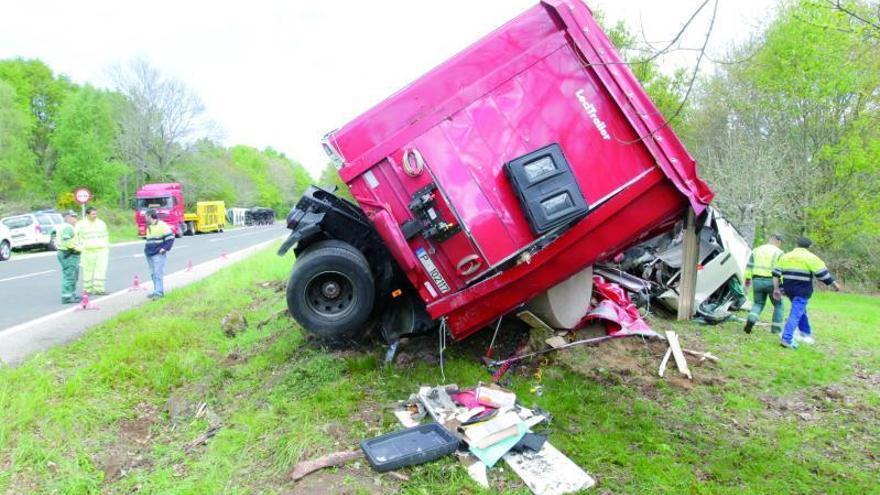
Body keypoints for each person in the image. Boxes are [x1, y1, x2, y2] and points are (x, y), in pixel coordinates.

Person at [772, 236, 841, 348]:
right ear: (809, 246)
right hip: (802, 290)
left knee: (800, 309)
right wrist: (835, 285)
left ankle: (805, 333)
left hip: (788, 289)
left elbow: (775, 273)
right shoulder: (811, 257)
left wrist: (776, 288)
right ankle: (787, 338)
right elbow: (823, 275)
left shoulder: (786, 256)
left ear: (797, 244)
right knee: (796, 312)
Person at [743, 233, 784, 334]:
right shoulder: (779, 253)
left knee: (758, 303)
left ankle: (751, 319)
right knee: (779, 305)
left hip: (757, 281)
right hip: (772, 282)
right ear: (778, 241)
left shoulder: (757, 250)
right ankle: (776, 330)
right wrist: (781, 284)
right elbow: (781, 270)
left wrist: (748, 279)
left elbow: (749, 266)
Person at [75, 206, 110, 295]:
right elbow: (76, 237)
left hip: (101, 251)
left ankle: (99, 289)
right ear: (87, 214)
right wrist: (79, 248)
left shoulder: (101, 223)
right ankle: (87, 290)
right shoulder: (80, 224)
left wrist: (106, 247)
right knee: (87, 271)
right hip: (87, 251)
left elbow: (105, 236)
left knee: (101, 270)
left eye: (96, 213)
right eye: (93, 214)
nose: (95, 215)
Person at [144, 209, 174, 299]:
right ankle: (156, 291)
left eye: (146, 216)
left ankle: (159, 293)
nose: (145, 218)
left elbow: (170, 238)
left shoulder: (162, 225)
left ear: (150, 216)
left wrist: (164, 249)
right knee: (153, 274)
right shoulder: (149, 226)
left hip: (158, 254)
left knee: (158, 273)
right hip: (149, 253)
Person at [57, 210, 82, 303]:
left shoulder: (66, 226)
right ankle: (67, 297)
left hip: (67, 253)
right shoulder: (68, 228)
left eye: (75, 216)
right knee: (70, 276)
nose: (75, 219)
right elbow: (67, 240)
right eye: (73, 216)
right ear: (67, 217)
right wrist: (76, 248)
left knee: (72, 275)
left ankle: (71, 294)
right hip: (69, 253)